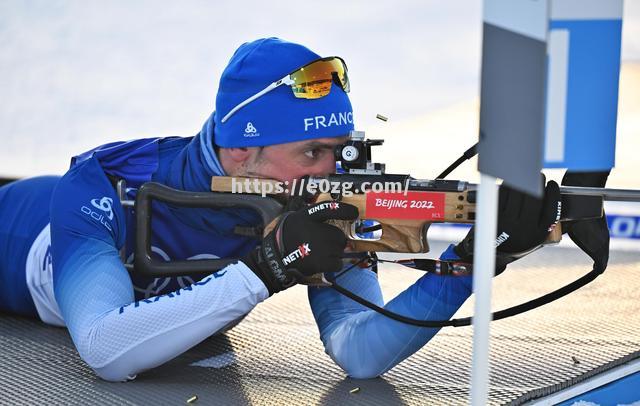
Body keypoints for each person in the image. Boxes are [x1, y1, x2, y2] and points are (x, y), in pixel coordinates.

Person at [0, 37, 561, 381]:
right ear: (242, 151)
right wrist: (266, 269)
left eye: (341, 152)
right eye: (312, 152)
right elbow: (105, 350)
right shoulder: (106, 185)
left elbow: (361, 353)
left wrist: (474, 262)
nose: (332, 172)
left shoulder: (325, 199)